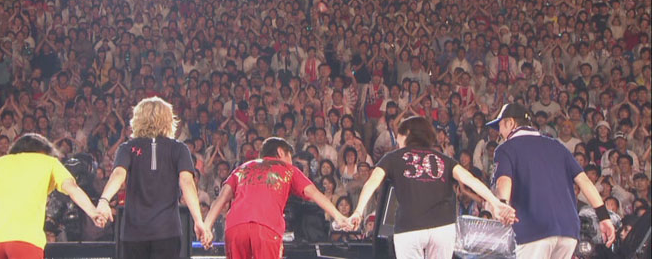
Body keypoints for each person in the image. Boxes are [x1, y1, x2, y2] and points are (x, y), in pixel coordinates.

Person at [348, 116, 516, 259]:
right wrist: (495, 202)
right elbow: (469, 179)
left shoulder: (392, 157)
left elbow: (372, 182)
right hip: (442, 227)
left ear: (407, 133)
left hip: (409, 227)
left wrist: (358, 211)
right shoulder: (444, 159)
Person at [490, 103, 616, 259]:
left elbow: (504, 180)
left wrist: (503, 205)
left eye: (500, 126)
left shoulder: (506, 148)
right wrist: (604, 217)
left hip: (533, 230)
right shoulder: (557, 146)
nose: (499, 132)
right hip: (568, 231)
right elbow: (584, 181)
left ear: (510, 123)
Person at [95, 96, 207, 259]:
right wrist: (198, 220)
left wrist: (104, 200)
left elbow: (118, 174)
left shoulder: (127, 148)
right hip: (167, 231)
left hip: (135, 232)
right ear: (168, 119)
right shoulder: (179, 148)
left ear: (137, 119)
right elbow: (187, 183)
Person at [202, 137, 350, 259]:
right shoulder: (288, 169)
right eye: (289, 156)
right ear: (280, 152)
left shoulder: (242, 168)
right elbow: (314, 193)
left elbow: (222, 197)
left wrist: (207, 226)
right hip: (266, 227)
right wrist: (338, 216)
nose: (291, 161)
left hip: (235, 227)